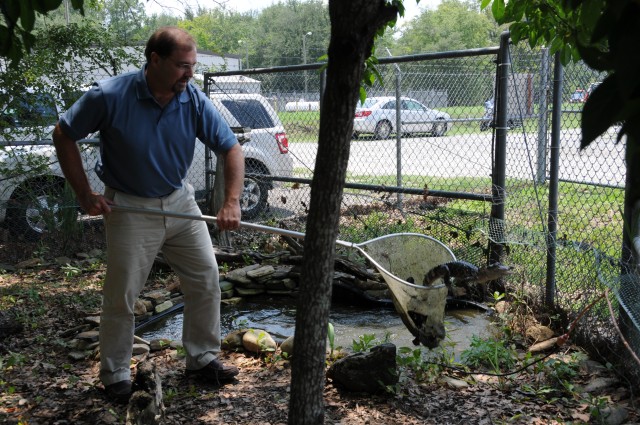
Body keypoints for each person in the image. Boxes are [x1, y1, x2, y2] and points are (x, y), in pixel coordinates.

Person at [52, 26, 245, 403]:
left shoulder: (192, 99)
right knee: (122, 295)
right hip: (129, 207)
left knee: (205, 278)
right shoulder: (110, 95)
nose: (189, 75)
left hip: (180, 203)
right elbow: (63, 134)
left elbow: (231, 148)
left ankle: (203, 358)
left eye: (192, 67)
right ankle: (116, 374)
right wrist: (84, 193)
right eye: (181, 66)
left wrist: (232, 201)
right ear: (154, 60)